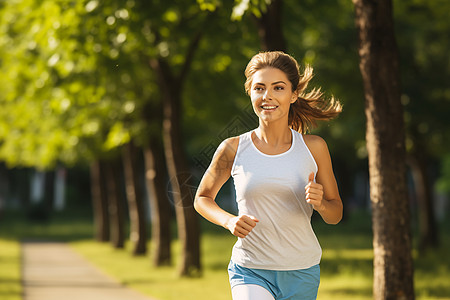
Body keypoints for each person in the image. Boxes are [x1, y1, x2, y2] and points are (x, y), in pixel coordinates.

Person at [194, 51, 343, 300]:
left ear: (293, 94)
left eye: (278, 87)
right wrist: (228, 221)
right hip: (250, 268)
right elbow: (202, 198)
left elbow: (335, 214)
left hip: (301, 270)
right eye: (259, 88)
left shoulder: (314, 147)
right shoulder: (232, 148)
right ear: (250, 93)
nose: (268, 96)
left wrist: (320, 205)